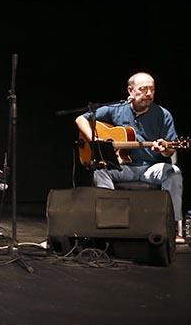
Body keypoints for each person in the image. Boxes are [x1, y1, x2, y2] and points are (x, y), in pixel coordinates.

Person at [75, 71, 183, 234]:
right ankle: (110, 221)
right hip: (123, 167)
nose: (148, 93)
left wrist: (165, 149)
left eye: (152, 89)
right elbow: (80, 119)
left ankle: (173, 227)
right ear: (130, 91)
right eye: (143, 89)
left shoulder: (163, 114)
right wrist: (94, 138)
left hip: (150, 168)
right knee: (100, 169)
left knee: (173, 172)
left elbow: (170, 151)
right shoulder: (117, 109)